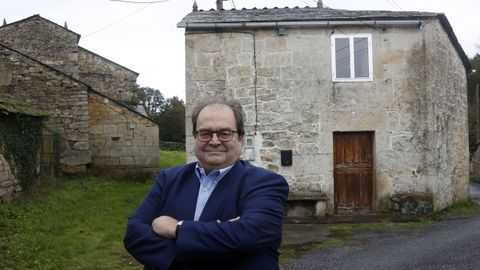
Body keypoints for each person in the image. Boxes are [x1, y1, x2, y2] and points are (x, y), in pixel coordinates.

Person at [124, 98, 289, 270]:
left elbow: (250, 233)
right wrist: (220, 238)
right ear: (195, 137)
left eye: (225, 133)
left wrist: (177, 229)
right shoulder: (169, 179)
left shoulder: (266, 183)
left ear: (240, 138)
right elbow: (135, 234)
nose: (215, 141)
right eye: (205, 133)